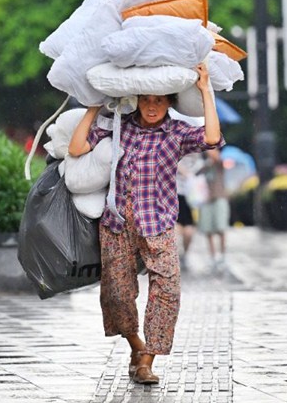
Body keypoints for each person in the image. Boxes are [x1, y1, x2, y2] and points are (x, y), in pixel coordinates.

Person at [68, 64, 223, 386]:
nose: (152, 107)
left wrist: (205, 89)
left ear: (170, 102)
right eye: (146, 99)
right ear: (136, 100)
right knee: (117, 294)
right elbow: (77, 148)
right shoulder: (119, 127)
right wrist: (95, 105)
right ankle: (136, 345)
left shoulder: (177, 133)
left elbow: (212, 138)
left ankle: (147, 361)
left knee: (167, 290)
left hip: (159, 222)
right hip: (116, 224)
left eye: (160, 100)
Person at [198, 147, 230, 269]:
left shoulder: (220, 163)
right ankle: (212, 256)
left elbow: (218, 158)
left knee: (221, 228)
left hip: (219, 198)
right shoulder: (205, 165)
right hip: (206, 200)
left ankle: (223, 256)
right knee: (208, 230)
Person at [176, 153, 203, 269]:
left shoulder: (198, 158)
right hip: (176, 193)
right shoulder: (176, 151)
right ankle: (177, 255)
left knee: (188, 231)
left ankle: (184, 255)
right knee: (177, 229)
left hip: (192, 197)